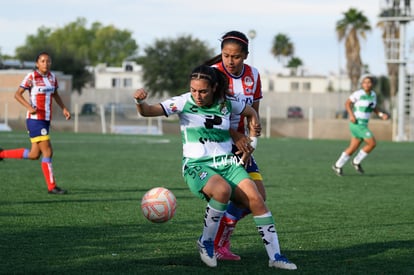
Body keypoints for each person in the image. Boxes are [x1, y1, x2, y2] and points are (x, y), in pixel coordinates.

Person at [133, 65, 297, 270]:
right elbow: (148, 111)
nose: (197, 95)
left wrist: (253, 141)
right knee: (222, 190)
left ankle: (276, 257)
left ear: (214, 88)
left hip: (228, 163)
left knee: (256, 199)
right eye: (194, 90)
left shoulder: (227, 102)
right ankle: (206, 242)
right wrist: (140, 101)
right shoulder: (183, 102)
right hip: (197, 165)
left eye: (202, 91)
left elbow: (251, 111)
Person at [204, 30, 266, 261]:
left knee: (258, 198)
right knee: (243, 197)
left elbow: (253, 113)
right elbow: (206, 115)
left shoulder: (254, 75)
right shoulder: (213, 75)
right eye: (226, 55)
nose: (230, 61)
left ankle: (218, 239)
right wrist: (235, 134)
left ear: (246, 56)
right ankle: (214, 241)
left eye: (236, 56)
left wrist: (252, 134)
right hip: (216, 144)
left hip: (240, 146)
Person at [0, 52, 71, 194]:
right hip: (35, 120)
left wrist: (64, 108)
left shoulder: (52, 78)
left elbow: (55, 94)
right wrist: (28, 107)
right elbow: (17, 94)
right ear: (37, 64)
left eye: (48, 61)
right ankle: (52, 187)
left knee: (34, 154)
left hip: (45, 120)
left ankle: (1, 154)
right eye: (43, 61)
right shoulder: (31, 77)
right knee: (48, 151)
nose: (46, 63)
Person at [332, 75, 389, 176]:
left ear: (372, 84)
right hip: (357, 124)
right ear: (362, 84)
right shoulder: (358, 94)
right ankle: (356, 161)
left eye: (369, 82)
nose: (366, 84)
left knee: (353, 148)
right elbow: (347, 103)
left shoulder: (373, 95)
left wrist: (380, 114)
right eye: (364, 82)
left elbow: (373, 107)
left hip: (363, 124)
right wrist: (351, 115)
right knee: (372, 143)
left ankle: (337, 165)